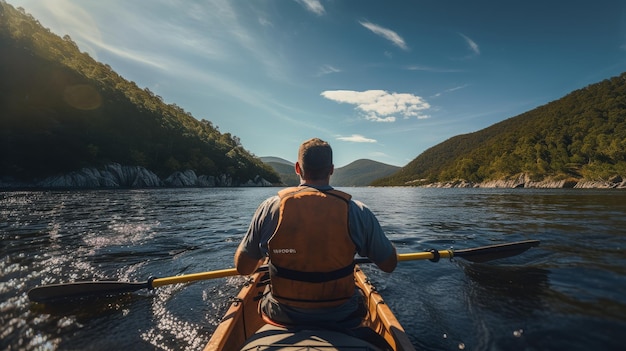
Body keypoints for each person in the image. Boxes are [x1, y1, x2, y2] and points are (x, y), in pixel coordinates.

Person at [234, 137, 397, 329]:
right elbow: (389, 264)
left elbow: (243, 268)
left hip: (282, 314)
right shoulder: (357, 211)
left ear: (297, 168)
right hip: (343, 314)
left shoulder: (270, 208)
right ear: (331, 170)